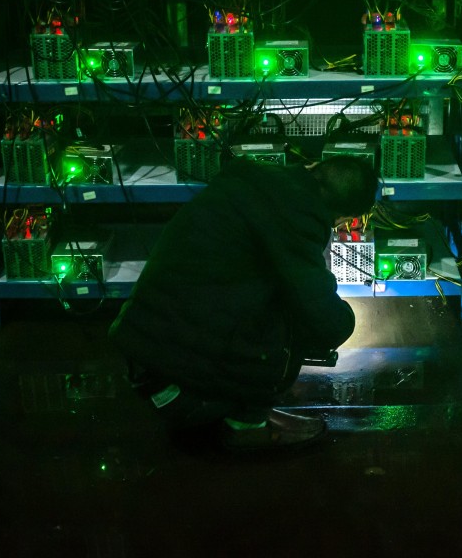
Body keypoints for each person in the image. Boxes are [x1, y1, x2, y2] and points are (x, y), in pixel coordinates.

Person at [108, 153, 379, 452]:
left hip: (147, 359)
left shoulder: (256, 181)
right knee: (290, 320)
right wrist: (346, 321)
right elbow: (321, 316)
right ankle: (247, 427)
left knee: (267, 294)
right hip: (175, 390)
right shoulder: (297, 214)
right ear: (342, 217)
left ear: (313, 167)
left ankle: (228, 403)